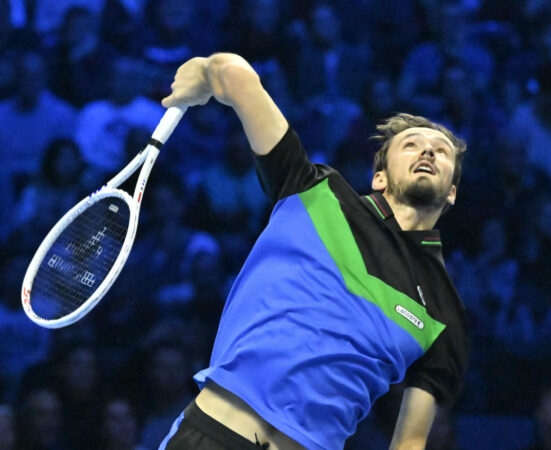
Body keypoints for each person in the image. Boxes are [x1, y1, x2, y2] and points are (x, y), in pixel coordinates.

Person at [158, 52, 469, 450]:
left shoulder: (444, 311)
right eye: (411, 144)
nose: (427, 152)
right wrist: (204, 72)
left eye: (441, 151)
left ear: (453, 192)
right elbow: (236, 76)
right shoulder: (314, 190)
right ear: (378, 177)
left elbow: (409, 442)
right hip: (211, 435)